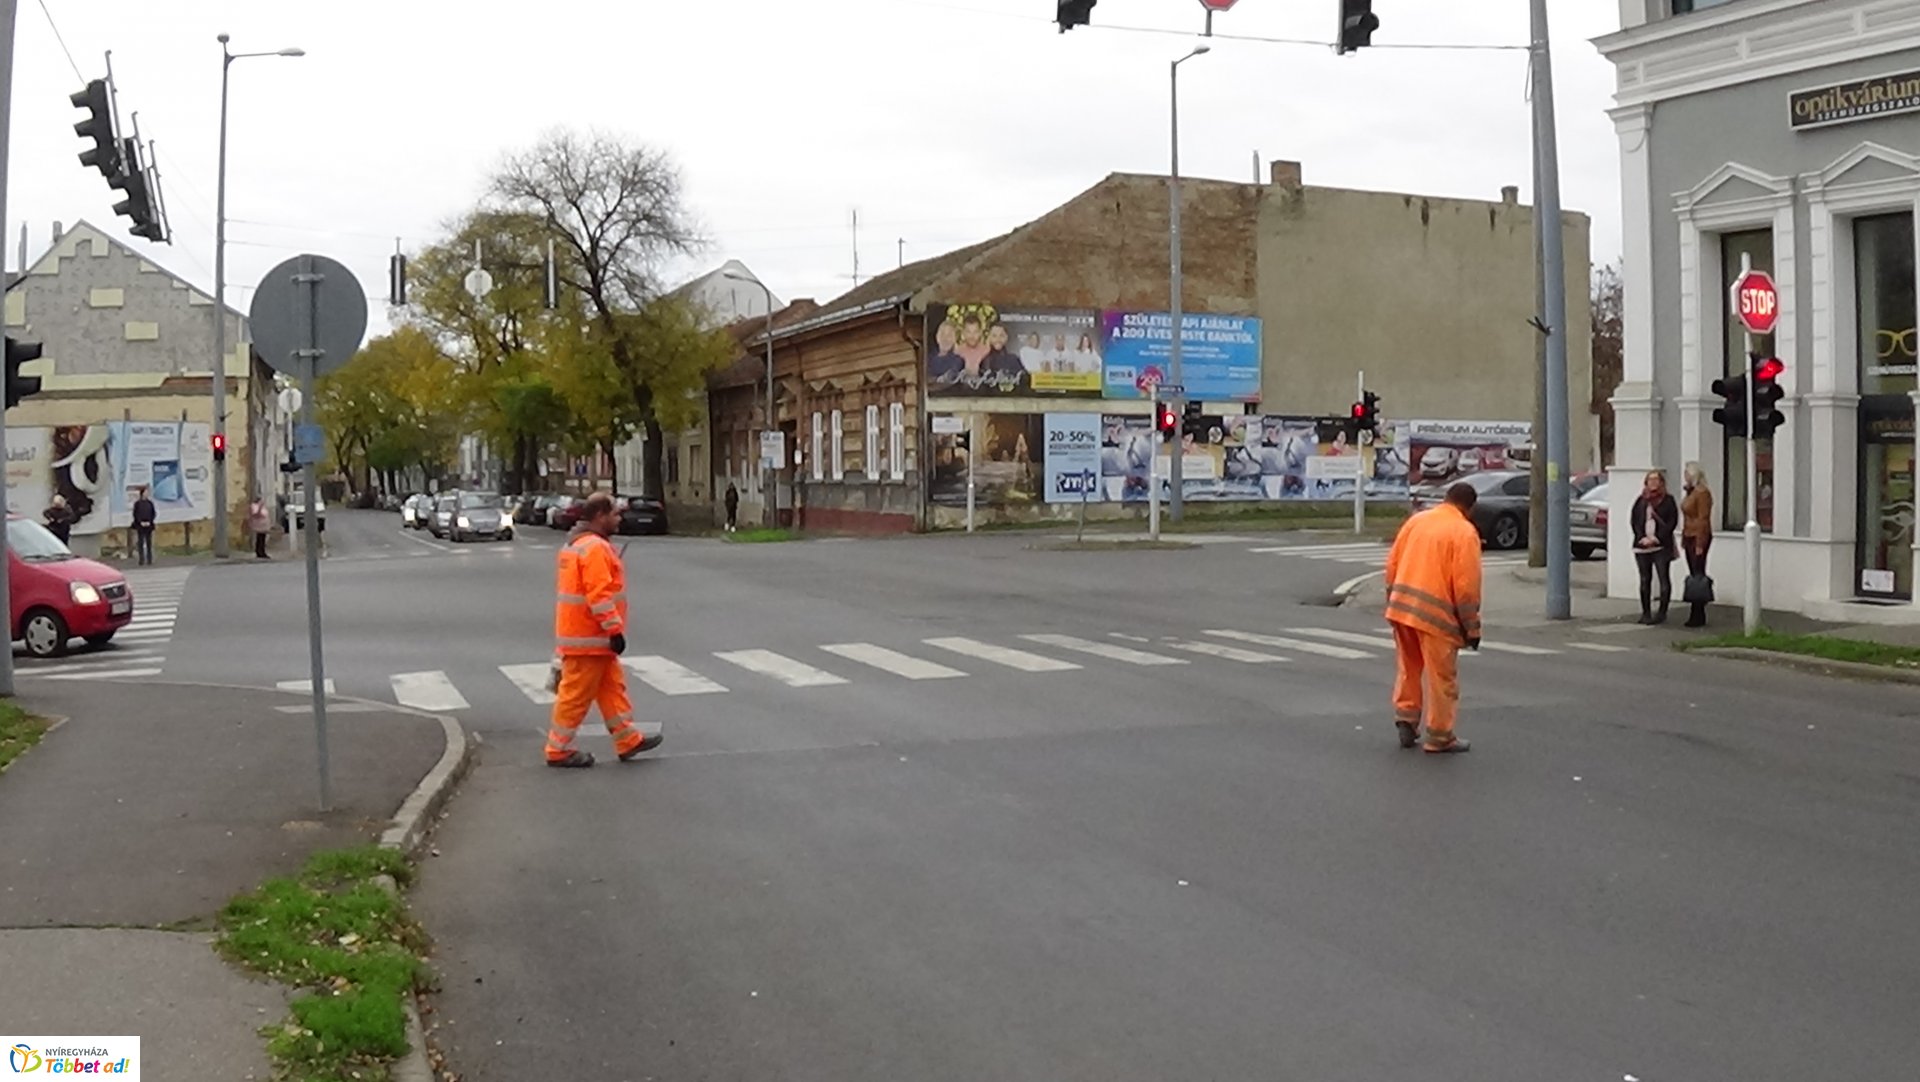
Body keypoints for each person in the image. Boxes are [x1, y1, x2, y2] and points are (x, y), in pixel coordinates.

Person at [546, 492, 660, 768]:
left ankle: (627, 739)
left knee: (612, 690)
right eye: (615, 514)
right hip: (589, 637)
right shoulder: (594, 548)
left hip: (585, 636)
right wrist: (614, 630)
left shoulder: (577, 544)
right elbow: (599, 595)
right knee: (575, 697)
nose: (619, 519)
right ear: (600, 516)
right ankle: (558, 749)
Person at [1383, 481, 1483, 754]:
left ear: (1446, 498)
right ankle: (1440, 736)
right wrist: (1471, 629)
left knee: (1409, 667)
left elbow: (1392, 563)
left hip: (1402, 609)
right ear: (1470, 507)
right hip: (1436, 618)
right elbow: (1466, 588)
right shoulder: (1464, 532)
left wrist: (1391, 599)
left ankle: (1406, 717)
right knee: (1442, 679)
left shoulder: (1418, 521)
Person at [1631, 468, 1680, 625]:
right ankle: (1645, 613)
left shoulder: (1668, 500)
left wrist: (1657, 538)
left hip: (1661, 546)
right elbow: (1634, 520)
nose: (1653, 482)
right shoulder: (1641, 500)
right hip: (1642, 546)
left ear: (1661, 482)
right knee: (1645, 579)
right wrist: (1641, 537)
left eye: (1656, 479)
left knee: (1663, 578)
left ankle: (1662, 612)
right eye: (1650, 480)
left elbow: (1672, 522)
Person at [1680, 463, 1715, 627]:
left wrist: (1700, 542)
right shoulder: (1692, 492)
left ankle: (1698, 612)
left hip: (1697, 536)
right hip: (1689, 535)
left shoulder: (1702, 493)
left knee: (1698, 575)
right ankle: (1696, 612)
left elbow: (1703, 519)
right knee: (1694, 574)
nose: (1684, 476)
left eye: (1686, 473)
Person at [132, 486, 157, 565]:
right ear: (142, 494)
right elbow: (135, 514)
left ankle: (149, 560)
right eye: (145, 492)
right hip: (140, 526)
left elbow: (153, 513)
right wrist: (140, 522)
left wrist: (150, 521)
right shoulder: (137, 504)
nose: (147, 494)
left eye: (147, 493)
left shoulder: (150, 503)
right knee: (141, 543)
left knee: (149, 543)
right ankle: (141, 560)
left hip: (149, 525)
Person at [248, 495, 272, 560]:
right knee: (260, 538)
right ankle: (259, 552)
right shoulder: (254, 506)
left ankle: (262, 551)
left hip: (264, 526)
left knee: (262, 538)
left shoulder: (262, 506)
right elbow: (256, 515)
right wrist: (260, 507)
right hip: (259, 525)